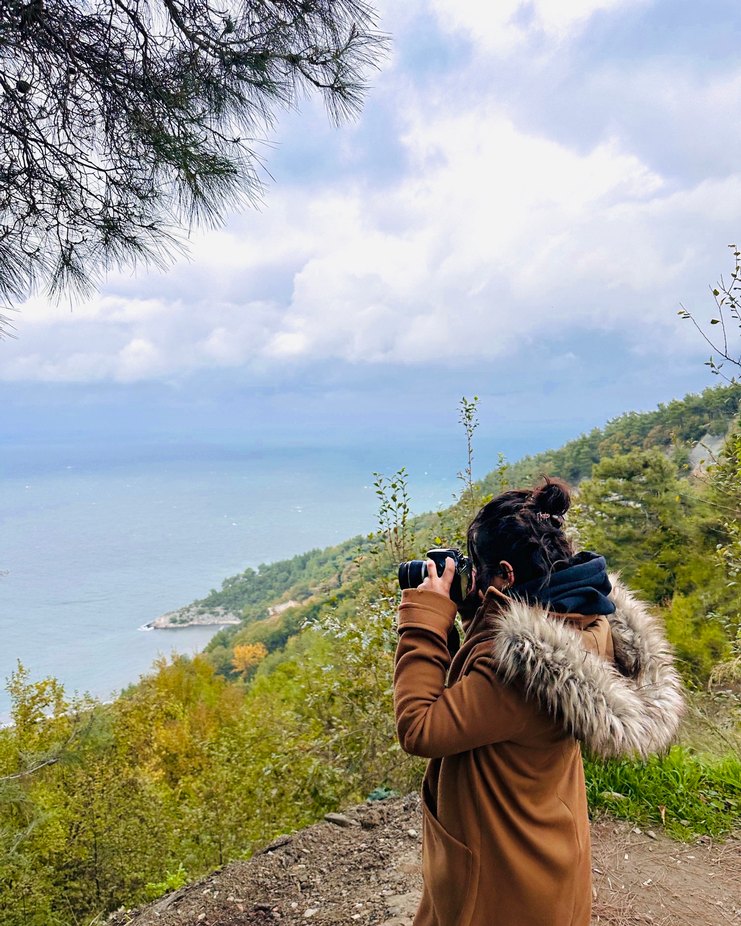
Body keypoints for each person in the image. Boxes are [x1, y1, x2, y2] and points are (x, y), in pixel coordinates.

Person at [393, 477, 684, 926]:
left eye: (482, 569)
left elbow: (419, 727)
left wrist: (426, 621)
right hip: (542, 850)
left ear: (506, 575)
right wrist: (475, 606)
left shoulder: (519, 669)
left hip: (502, 878)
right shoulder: (585, 622)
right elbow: (487, 684)